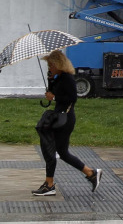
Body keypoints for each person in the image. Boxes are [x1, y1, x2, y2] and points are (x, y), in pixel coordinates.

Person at [33, 48, 101, 197]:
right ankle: (91, 173)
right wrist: (51, 80)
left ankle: (49, 184)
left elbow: (72, 98)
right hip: (61, 117)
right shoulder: (59, 77)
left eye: (51, 65)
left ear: (58, 64)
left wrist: (54, 97)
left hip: (65, 119)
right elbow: (53, 92)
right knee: (62, 153)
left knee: (50, 149)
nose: (50, 68)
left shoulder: (68, 78)